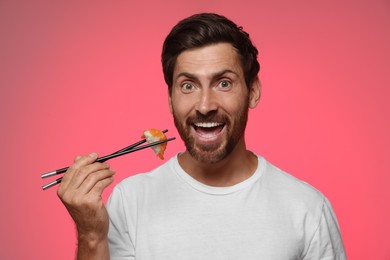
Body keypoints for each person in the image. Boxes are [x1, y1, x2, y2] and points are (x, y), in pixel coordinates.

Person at [57, 13, 346, 260]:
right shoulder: (131, 200)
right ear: (170, 99)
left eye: (223, 83)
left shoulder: (307, 209)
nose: (205, 105)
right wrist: (91, 235)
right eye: (188, 86)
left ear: (253, 91)